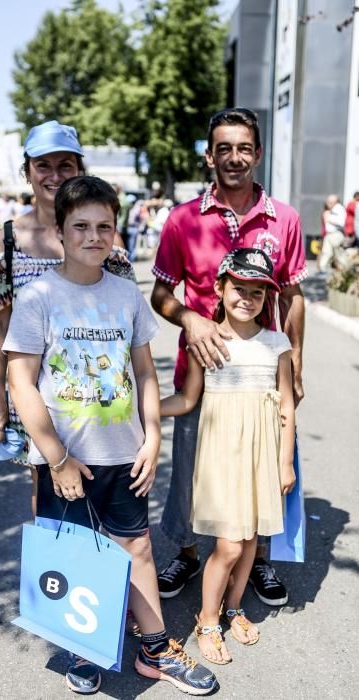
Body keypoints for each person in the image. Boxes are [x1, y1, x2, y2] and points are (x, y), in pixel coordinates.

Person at [2, 175, 217, 696]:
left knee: (137, 548)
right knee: (76, 551)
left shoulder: (126, 295)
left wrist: (152, 438)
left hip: (124, 454)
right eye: (81, 226)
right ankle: (83, 646)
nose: (94, 236)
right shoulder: (38, 297)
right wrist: (56, 458)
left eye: (104, 226)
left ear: (117, 232)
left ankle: (155, 648)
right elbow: (21, 382)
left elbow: (144, 372)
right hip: (67, 459)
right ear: (59, 232)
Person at [151, 107, 306, 606]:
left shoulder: (285, 219)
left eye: (244, 148)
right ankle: (189, 553)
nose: (234, 158)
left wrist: (296, 360)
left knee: (261, 466)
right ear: (209, 155)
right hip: (203, 370)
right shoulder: (182, 220)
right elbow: (160, 294)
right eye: (224, 148)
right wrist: (190, 319)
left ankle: (256, 559)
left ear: (257, 153)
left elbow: (292, 296)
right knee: (195, 471)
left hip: (262, 372)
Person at [0, 121, 134, 516]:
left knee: (106, 496)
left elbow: (124, 322)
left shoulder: (105, 239)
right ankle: (59, 575)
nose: (54, 175)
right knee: (49, 492)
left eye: (65, 165)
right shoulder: (8, 240)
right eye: (42, 165)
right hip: (34, 394)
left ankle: (101, 574)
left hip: (97, 393)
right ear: (27, 171)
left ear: (80, 169)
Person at [161, 248, 295, 665]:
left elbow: (287, 405)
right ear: (220, 287)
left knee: (252, 539)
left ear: (266, 297)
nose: (247, 297)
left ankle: (234, 607)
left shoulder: (277, 343)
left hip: (261, 457)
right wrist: (141, 406)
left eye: (257, 291)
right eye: (239, 287)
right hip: (220, 457)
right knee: (230, 546)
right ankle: (206, 619)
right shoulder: (207, 340)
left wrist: (285, 461)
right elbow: (187, 400)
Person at [318, 194, 346, 272]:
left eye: (330, 201)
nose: (328, 203)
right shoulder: (331, 210)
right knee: (327, 252)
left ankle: (345, 270)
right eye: (328, 201)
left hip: (336, 234)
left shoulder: (338, 208)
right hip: (330, 235)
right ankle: (322, 269)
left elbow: (341, 222)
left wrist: (328, 217)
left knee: (338, 254)